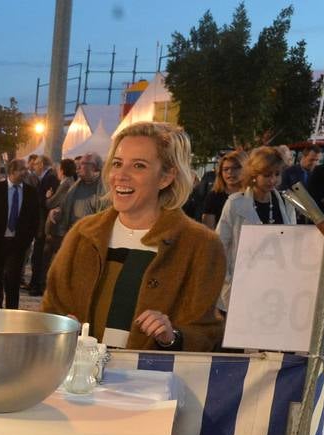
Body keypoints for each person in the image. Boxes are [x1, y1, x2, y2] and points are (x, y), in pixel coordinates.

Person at [44, 122, 225, 351]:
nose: (121, 175)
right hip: (80, 380)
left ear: (166, 177)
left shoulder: (201, 245)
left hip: (154, 383)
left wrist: (172, 336)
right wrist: (59, 325)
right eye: (117, 164)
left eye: (139, 166)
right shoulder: (82, 234)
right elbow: (50, 309)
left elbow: (207, 332)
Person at [215, 146, 297, 312]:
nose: (273, 180)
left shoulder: (286, 202)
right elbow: (219, 246)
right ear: (253, 175)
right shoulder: (235, 203)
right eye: (267, 175)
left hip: (276, 286)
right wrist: (228, 284)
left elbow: (293, 242)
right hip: (242, 284)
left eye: (277, 174)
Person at [0, 158, 41, 309]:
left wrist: (27, 239)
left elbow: (35, 218)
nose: (25, 172)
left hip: (18, 243)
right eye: (22, 169)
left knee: (13, 280)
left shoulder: (30, 192)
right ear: (12, 171)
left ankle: (11, 312)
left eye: (25, 169)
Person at [47, 152, 105, 238]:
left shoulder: (105, 190)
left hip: (89, 240)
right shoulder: (75, 186)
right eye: (78, 164)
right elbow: (65, 206)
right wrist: (56, 211)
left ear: (95, 168)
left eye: (83, 164)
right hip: (70, 237)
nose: (78, 167)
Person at [27, 154, 60, 294]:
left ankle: (38, 285)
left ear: (41, 164)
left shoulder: (50, 177)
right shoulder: (46, 177)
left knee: (40, 255)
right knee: (38, 255)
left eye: (36, 164)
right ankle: (35, 283)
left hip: (44, 222)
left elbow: (48, 201)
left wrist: (44, 198)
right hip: (40, 222)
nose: (34, 167)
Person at [201, 151, 244, 228]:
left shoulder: (252, 194)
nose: (230, 172)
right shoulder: (213, 197)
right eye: (226, 169)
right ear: (220, 173)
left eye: (235, 168)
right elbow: (209, 231)